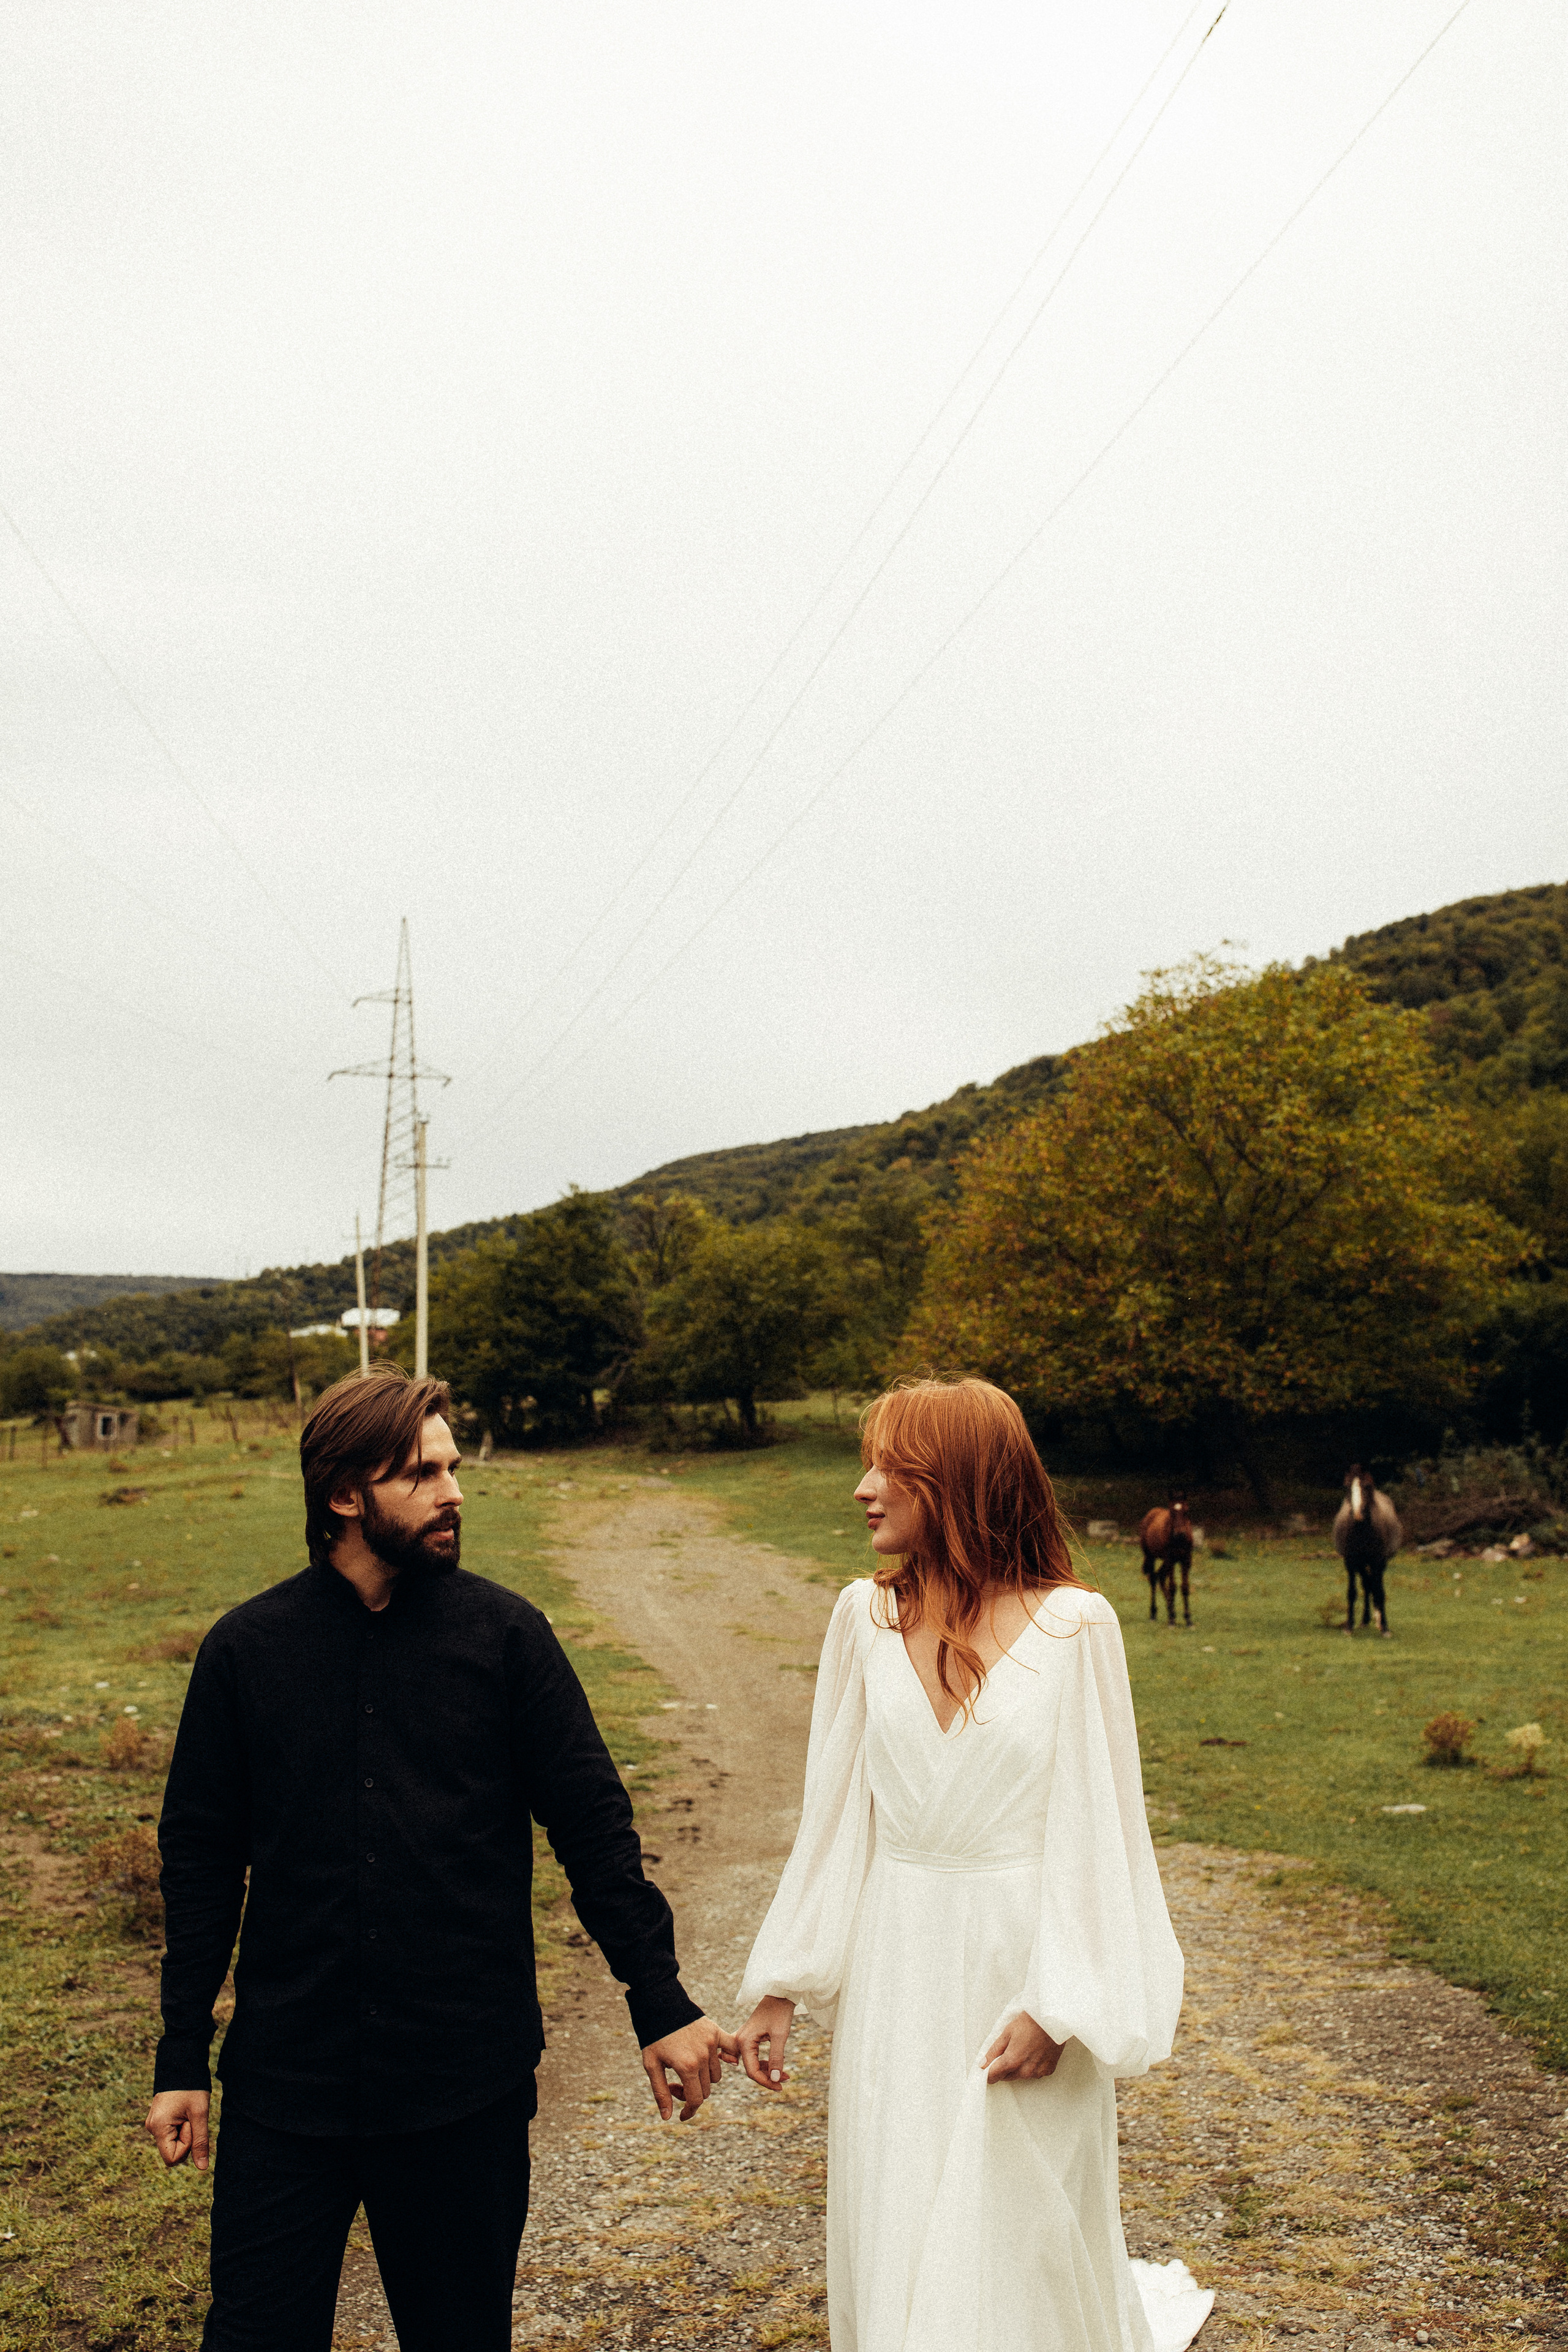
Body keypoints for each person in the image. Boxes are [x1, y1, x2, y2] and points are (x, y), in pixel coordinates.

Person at [145, 1365, 733, 2352]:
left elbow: (592, 1827)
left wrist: (659, 1997)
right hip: (288, 2091)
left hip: (463, 2085)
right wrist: (180, 2057)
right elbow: (200, 1861)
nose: (454, 1491)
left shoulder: (507, 1638)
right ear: (344, 1494)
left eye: (453, 1468)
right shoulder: (246, 1651)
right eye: (422, 1473)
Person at [734, 1378, 1213, 2352]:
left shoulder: (1080, 1630)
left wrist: (1063, 2004)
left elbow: (1104, 1838)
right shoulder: (858, 1619)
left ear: (957, 1482)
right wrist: (782, 1984)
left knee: (1021, 2221)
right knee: (902, 2199)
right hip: (898, 1966)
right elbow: (834, 1818)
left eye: (891, 1467)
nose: (864, 1488)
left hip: (1023, 1970)